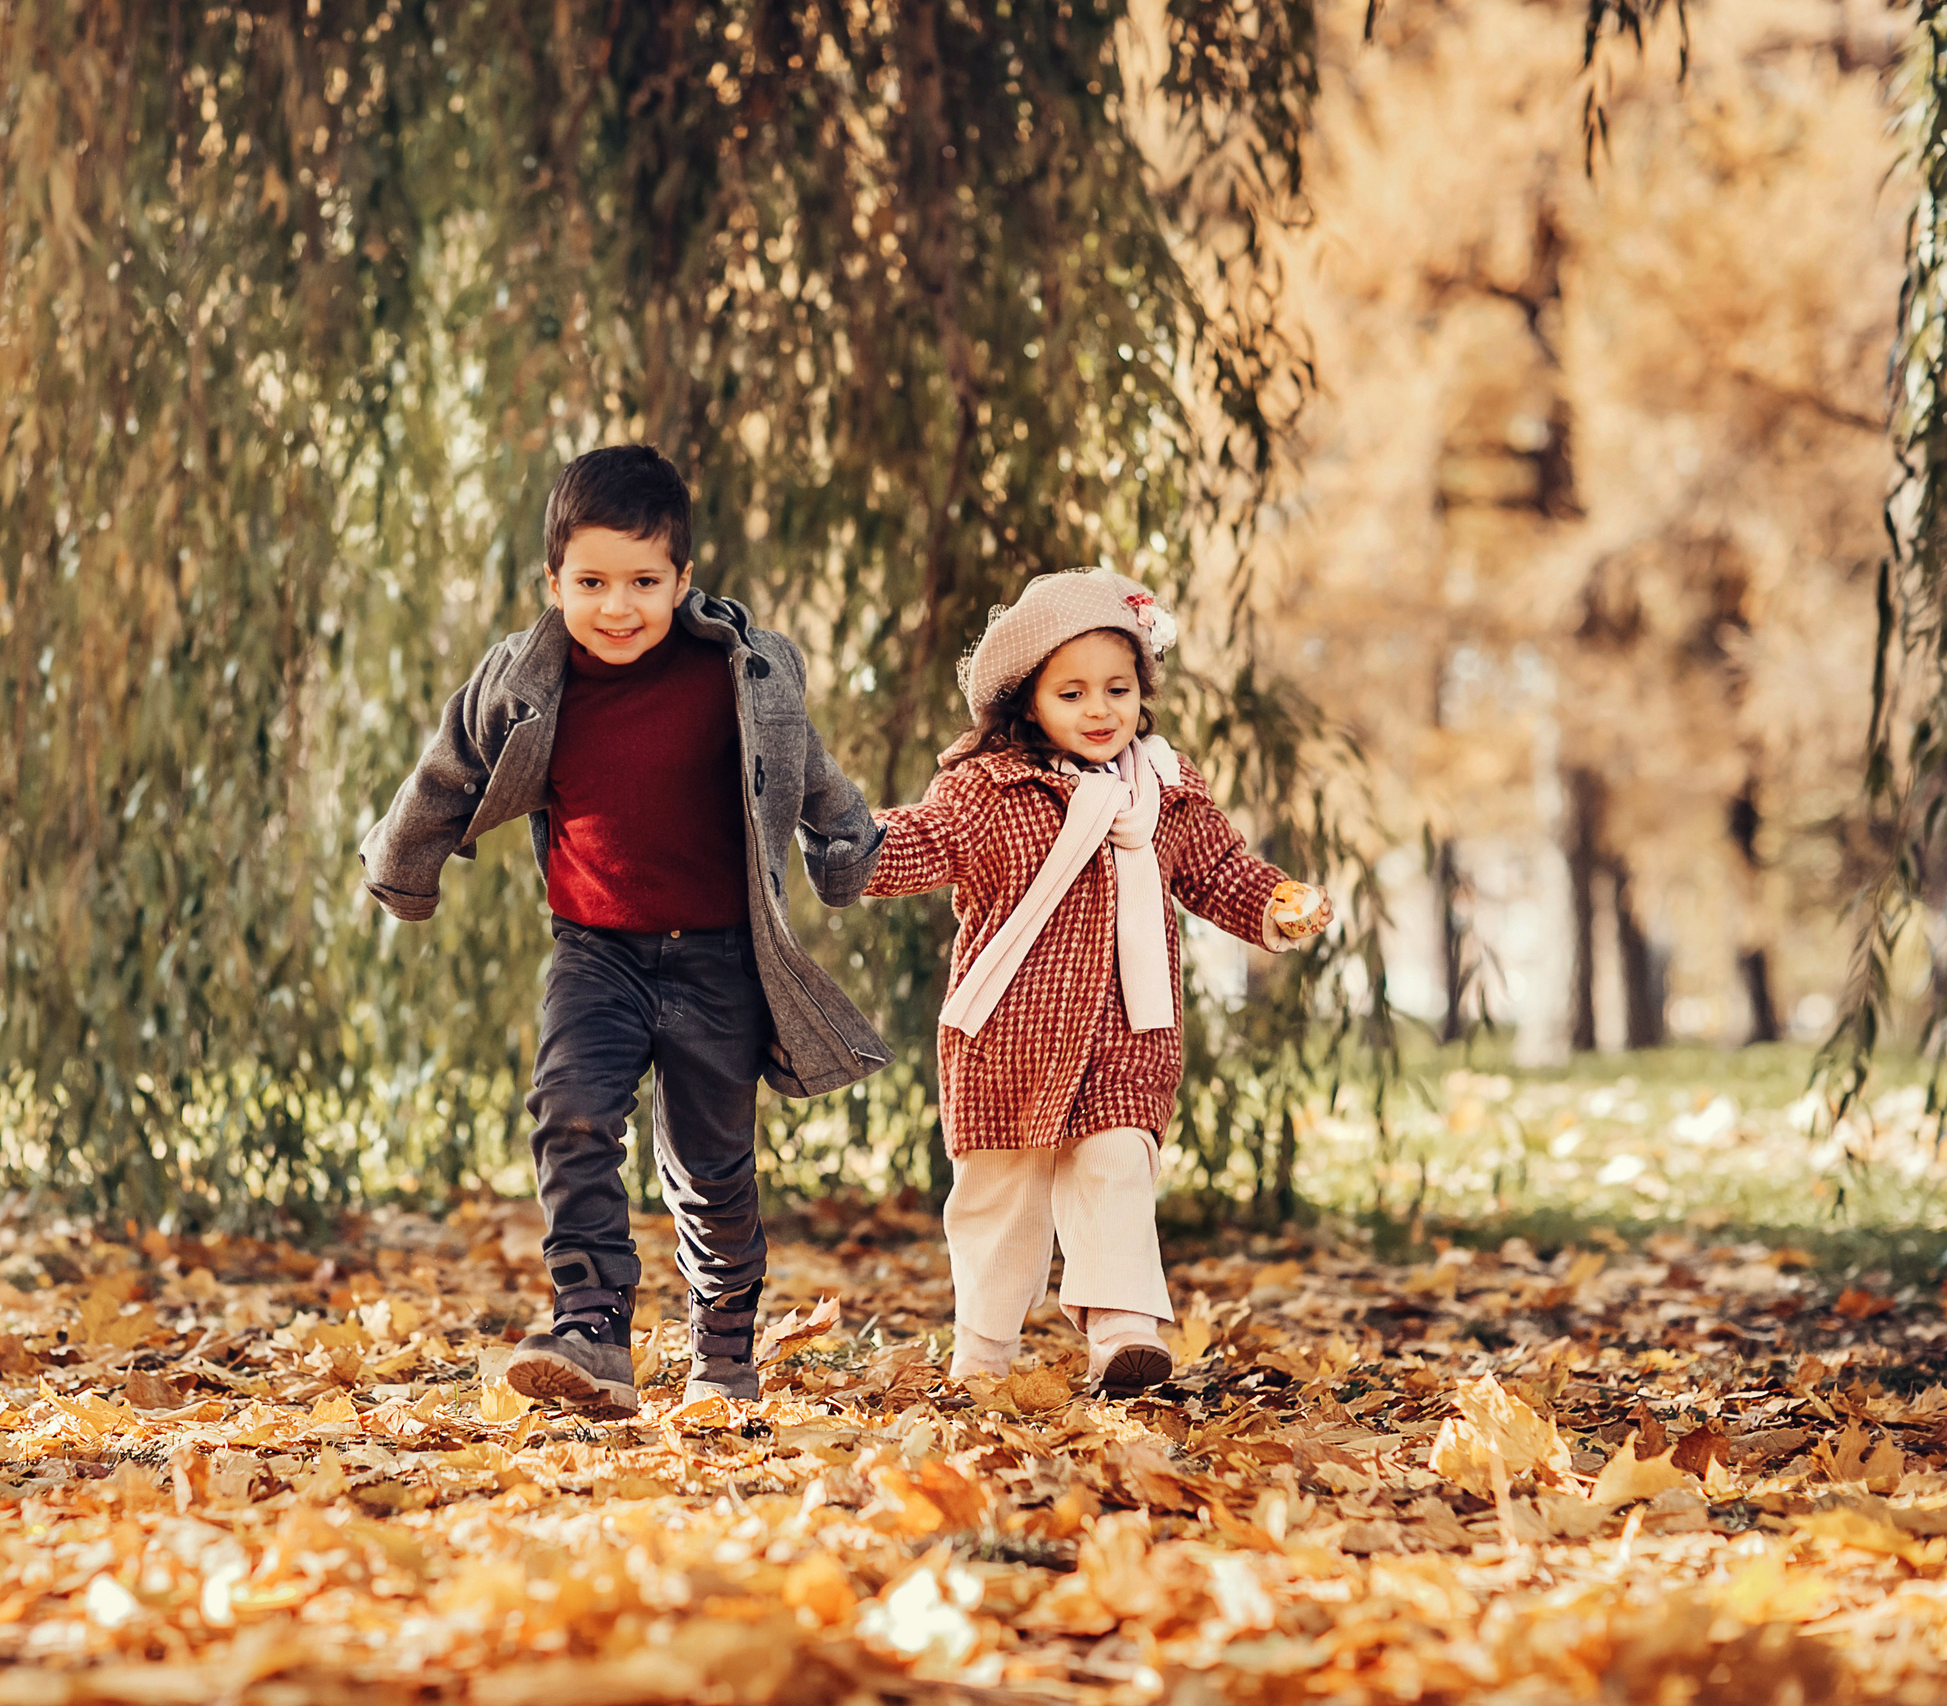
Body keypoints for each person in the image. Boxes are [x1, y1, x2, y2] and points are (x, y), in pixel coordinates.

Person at [359, 445, 890, 1413]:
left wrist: (847, 847)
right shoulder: (525, 678)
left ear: (683, 580)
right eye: (592, 581)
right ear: (552, 581)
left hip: (721, 957)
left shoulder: (739, 673)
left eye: (643, 581)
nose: (617, 606)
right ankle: (592, 1323)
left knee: (711, 1167)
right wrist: (404, 868)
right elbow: (447, 770)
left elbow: (810, 771)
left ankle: (723, 1344)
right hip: (593, 951)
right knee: (568, 1110)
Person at [862, 569, 1333, 1393]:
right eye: (1071, 691)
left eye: (1117, 688)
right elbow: (926, 839)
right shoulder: (991, 789)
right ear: (1028, 700)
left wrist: (1275, 901)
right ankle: (983, 1356)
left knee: (1117, 1164)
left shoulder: (1165, 790)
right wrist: (855, 844)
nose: (1099, 709)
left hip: (1126, 1031)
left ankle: (1123, 1336)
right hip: (1009, 1036)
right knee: (1000, 1201)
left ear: (1142, 693)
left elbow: (1218, 869)